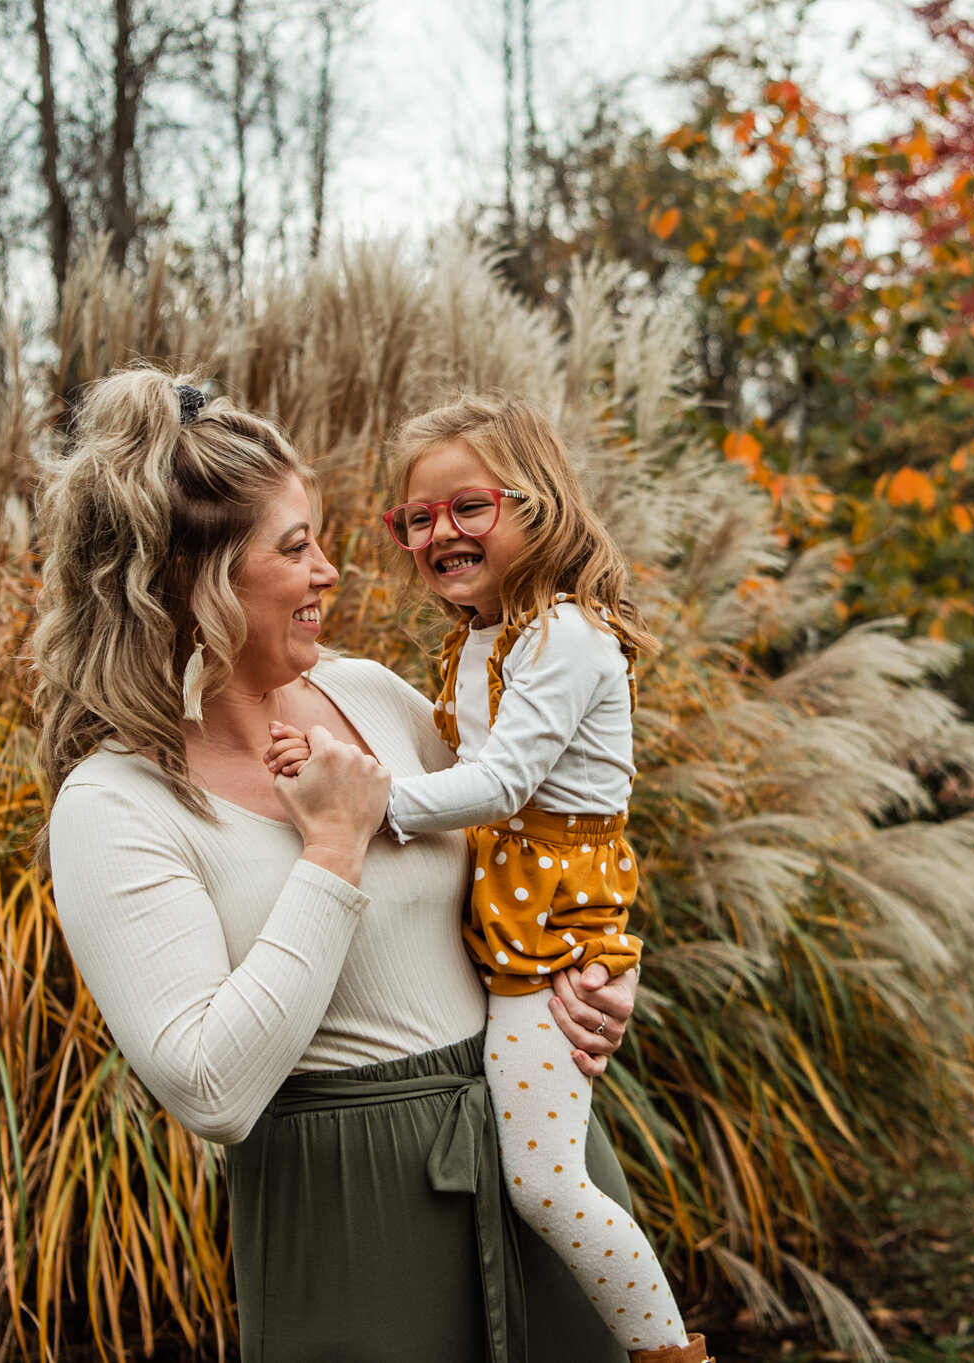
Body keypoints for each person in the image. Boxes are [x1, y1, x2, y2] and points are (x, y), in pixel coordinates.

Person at [33, 367, 647, 1363]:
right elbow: (211, 1090)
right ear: (196, 579)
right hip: (350, 1215)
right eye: (294, 547)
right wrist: (329, 850)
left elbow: (547, 839)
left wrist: (600, 971)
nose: (330, 572)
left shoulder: (372, 696)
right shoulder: (115, 803)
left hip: (535, 1154)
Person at [268, 396, 707, 1363]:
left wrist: (362, 802)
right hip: (515, 916)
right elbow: (447, 768)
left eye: (469, 506)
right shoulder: (489, 637)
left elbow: (499, 782)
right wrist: (332, 748)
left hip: (554, 924)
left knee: (547, 1183)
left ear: (537, 502)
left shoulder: (564, 636)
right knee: (538, 1173)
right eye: (416, 518)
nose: (440, 533)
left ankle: (667, 1352)